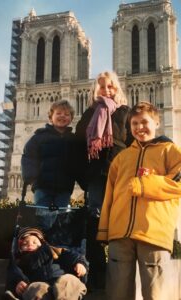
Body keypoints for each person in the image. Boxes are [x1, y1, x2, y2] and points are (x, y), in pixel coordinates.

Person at [97, 101, 181, 300]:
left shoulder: (169, 151)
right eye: (134, 123)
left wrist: (145, 185)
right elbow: (109, 197)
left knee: (156, 294)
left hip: (152, 233)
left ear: (157, 122)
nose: (139, 127)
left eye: (144, 122)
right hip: (119, 235)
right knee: (117, 293)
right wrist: (105, 230)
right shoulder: (121, 159)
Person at [75, 71, 132, 289]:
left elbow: (133, 146)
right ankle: (98, 273)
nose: (106, 90)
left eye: (111, 87)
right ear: (94, 90)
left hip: (119, 176)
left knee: (121, 221)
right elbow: (78, 148)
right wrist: (84, 180)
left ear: (117, 89)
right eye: (102, 87)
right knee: (95, 223)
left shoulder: (125, 113)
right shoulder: (89, 114)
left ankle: (121, 274)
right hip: (96, 178)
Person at [21, 100, 86, 245]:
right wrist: (31, 177)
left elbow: (79, 162)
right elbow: (29, 156)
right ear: (51, 117)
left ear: (71, 118)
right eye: (58, 113)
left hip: (64, 188)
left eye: (66, 114)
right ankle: (41, 249)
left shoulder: (73, 140)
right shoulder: (39, 137)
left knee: (61, 219)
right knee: (43, 217)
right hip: (43, 186)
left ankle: (57, 250)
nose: (62, 116)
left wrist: (84, 181)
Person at [4, 227, 88, 300]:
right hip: (40, 287)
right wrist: (17, 282)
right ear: (20, 247)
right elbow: (13, 273)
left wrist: (80, 263)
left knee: (68, 280)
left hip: (61, 281)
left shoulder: (53, 251)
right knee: (35, 288)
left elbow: (71, 255)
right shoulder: (19, 260)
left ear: (42, 243)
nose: (30, 245)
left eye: (34, 242)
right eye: (25, 243)